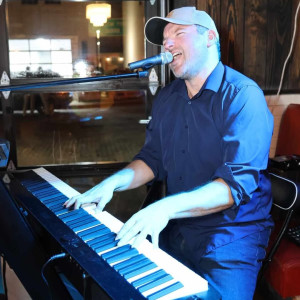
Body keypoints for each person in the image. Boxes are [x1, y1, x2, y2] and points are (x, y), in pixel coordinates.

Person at [65, 6, 274, 300]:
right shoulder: (168, 96)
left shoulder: (243, 96)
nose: (168, 44)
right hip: (179, 227)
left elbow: (233, 188)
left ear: (209, 38)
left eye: (178, 33)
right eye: (165, 39)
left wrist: (163, 208)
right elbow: (151, 160)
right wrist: (111, 184)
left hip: (231, 236)